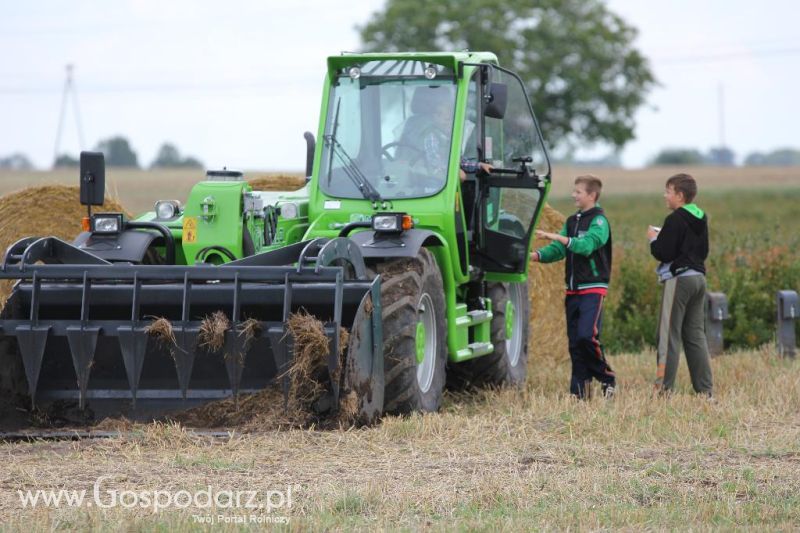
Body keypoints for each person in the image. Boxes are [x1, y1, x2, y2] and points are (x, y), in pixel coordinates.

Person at [531, 175, 615, 399]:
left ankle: (607, 377)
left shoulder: (599, 222)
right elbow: (559, 250)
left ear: (591, 195)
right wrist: (535, 256)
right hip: (573, 290)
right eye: (574, 191)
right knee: (575, 343)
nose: (573, 195)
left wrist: (557, 236)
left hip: (593, 288)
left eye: (578, 192)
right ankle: (580, 393)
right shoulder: (572, 221)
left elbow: (587, 246)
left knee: (588, 336)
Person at [647, 173, 713, 397]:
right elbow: (702, 250)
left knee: (667, 335)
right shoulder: (701, 217)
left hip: (679, 281)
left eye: (668, 191)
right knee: (695, 335)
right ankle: (705, 391)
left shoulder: (674, 219)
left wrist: (654, 239)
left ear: (680, 195)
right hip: (699, 280)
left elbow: (663, 252)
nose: (665, 196)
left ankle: (663, 390)